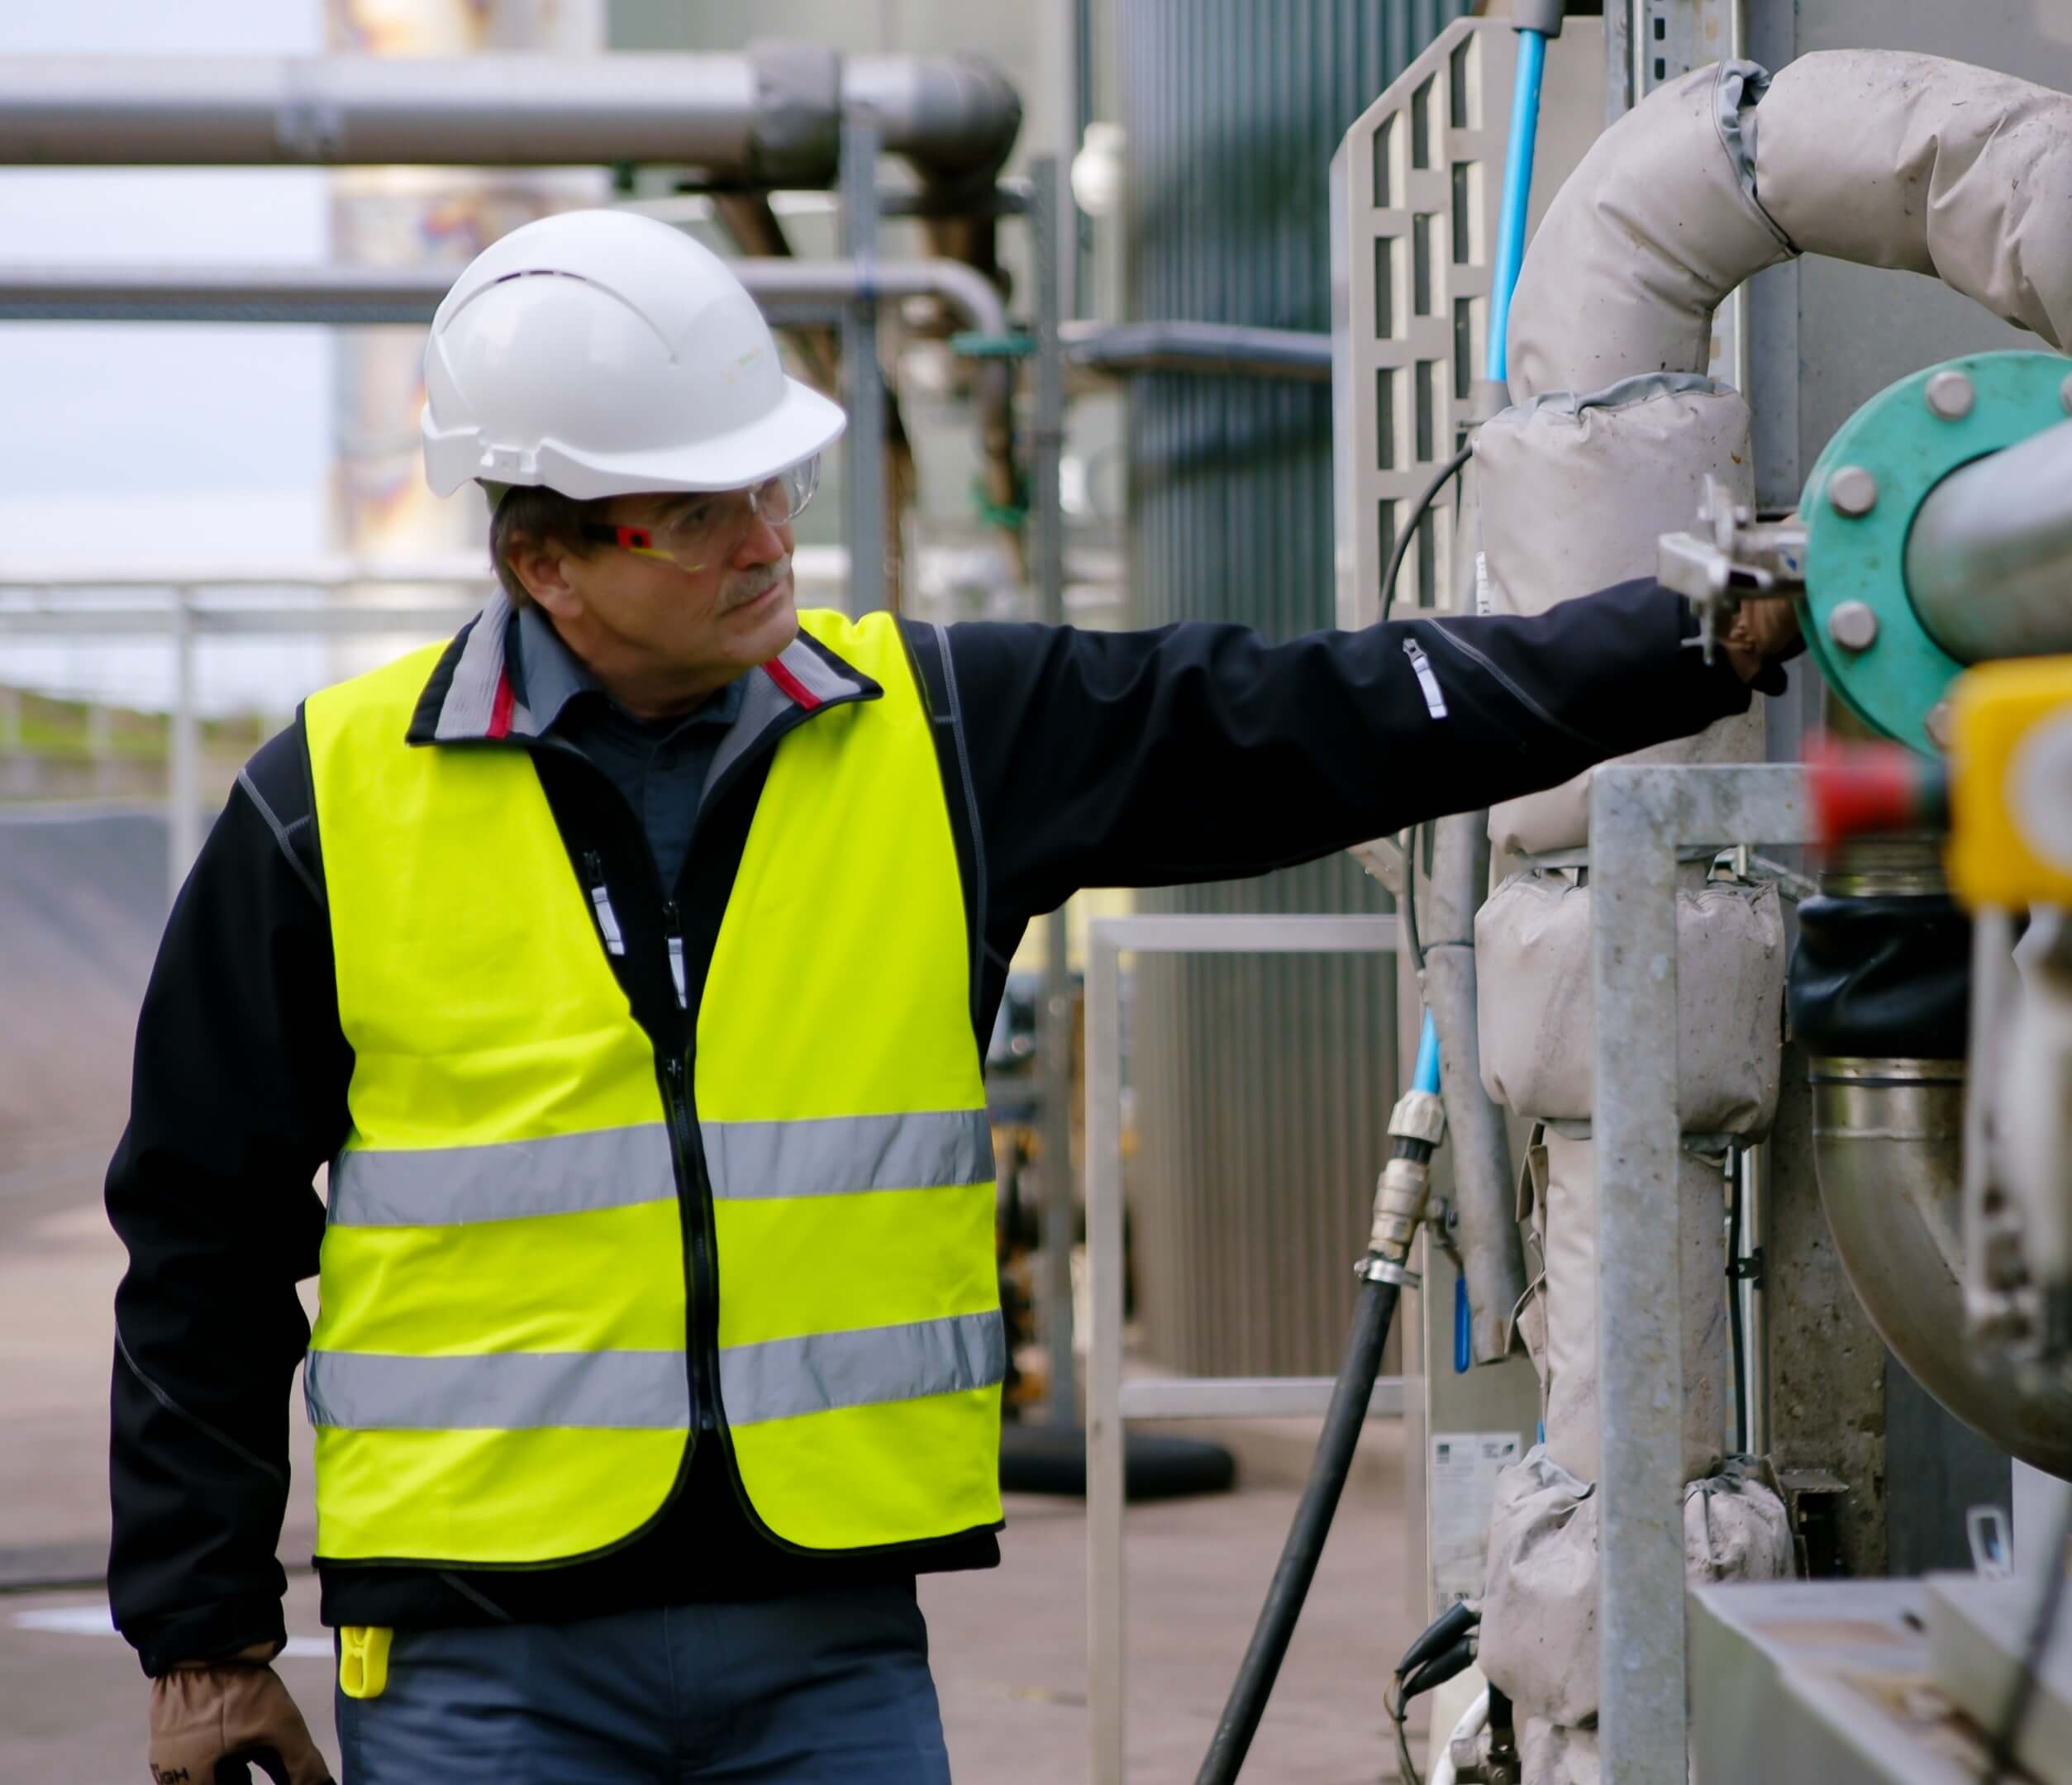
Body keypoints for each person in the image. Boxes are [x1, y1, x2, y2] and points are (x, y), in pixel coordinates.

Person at [108, 209, 1798, 1785]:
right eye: (701, 516)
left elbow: (1310, 716)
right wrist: (204, 1635)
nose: (770, 540)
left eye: (772, 485)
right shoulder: (329, 807)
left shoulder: (933, 730)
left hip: (830, 1646)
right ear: (548, 560)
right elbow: (203, 1232)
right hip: (482, 1663)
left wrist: (1676, 643)